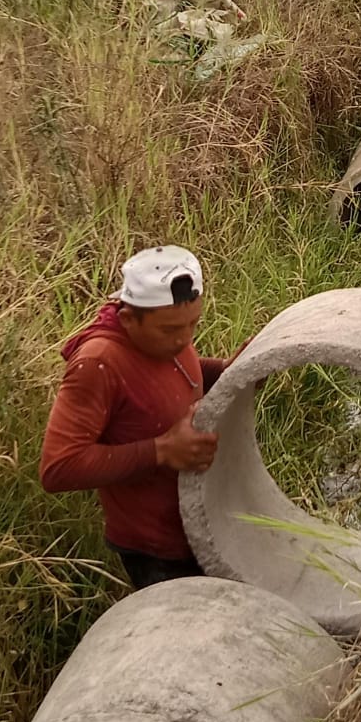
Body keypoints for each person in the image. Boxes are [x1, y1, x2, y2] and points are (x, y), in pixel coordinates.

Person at [40, 245, 237, 589]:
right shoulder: (98, 364)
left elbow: (179, 371)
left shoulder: (163, 334)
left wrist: (227, 371)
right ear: (129, 318)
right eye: (170, 330)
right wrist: (161, 450)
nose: (184, 339)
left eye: (193, 324)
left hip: (200, 523)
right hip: (157, 551)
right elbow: (58, 467)